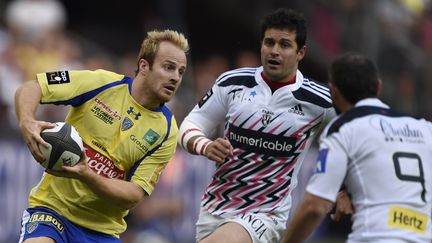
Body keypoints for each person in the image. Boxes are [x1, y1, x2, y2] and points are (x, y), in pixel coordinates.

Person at [178, 8, 337, 243]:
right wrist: (205, 145)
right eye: (269, 42)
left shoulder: (320, 100)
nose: (274, 51)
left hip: (266, 215)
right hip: (214, 208)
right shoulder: (232, 83)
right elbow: (191, 124)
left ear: (301, 52)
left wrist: (346, 188)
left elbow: (357, 133)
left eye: (284, 45)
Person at [15, 29, 189, 242]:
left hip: (102, 232)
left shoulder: (167, 131)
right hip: (52, 211)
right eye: (168, 67)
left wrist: (87, 175)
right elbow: (34, 87)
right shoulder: (101, 83)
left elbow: (134, 194)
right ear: (144, 66)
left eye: (181, 72)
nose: (175, 77)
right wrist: (27, 122)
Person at [282, 53, 432, 243]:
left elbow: (315, 206)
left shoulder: (343, 128)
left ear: (333, 92)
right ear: (378, 86)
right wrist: (351, 189)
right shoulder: (424, 128)